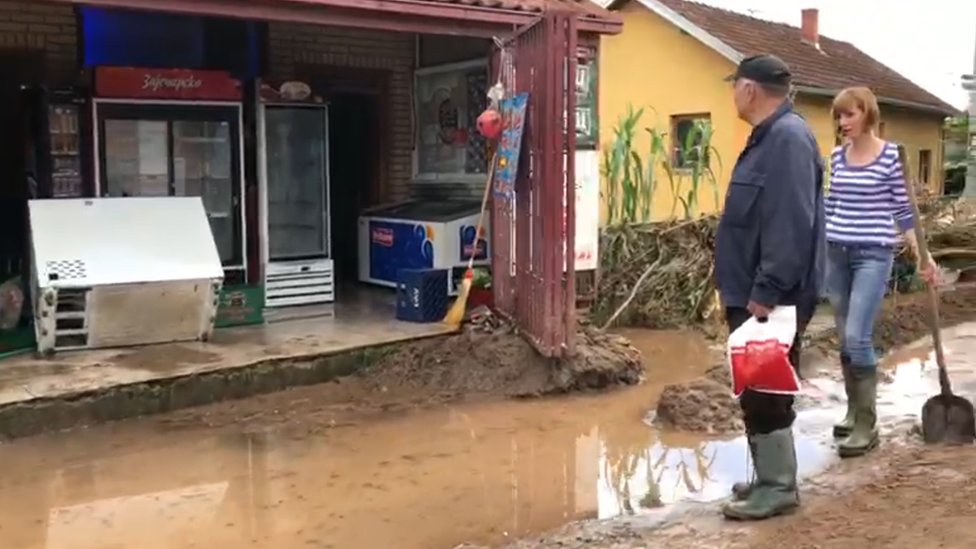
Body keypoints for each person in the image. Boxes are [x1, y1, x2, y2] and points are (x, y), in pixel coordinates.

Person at [715, 54, 824, 521]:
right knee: (755, 385)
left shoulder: (787, 139)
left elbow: (791, 223)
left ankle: (779, 486)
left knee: (767, 389)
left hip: (770, 296)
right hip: (753, 290)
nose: (733, 93)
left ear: (750, 89)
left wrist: (768, 288)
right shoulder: (768, 137)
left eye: (734, 85)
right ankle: (767, 477)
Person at [826, 87, 938, 458]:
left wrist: (923, 255)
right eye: (839, 116)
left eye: (849, 115)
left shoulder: (891, 156)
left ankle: (866, 424)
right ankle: (853, 409)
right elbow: (832, 205)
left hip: (873, 255)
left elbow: (903, 211)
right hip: (836, 253)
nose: (842, 123)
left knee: (858, 335)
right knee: (844, 336)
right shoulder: (837, 157)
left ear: (867, 115)